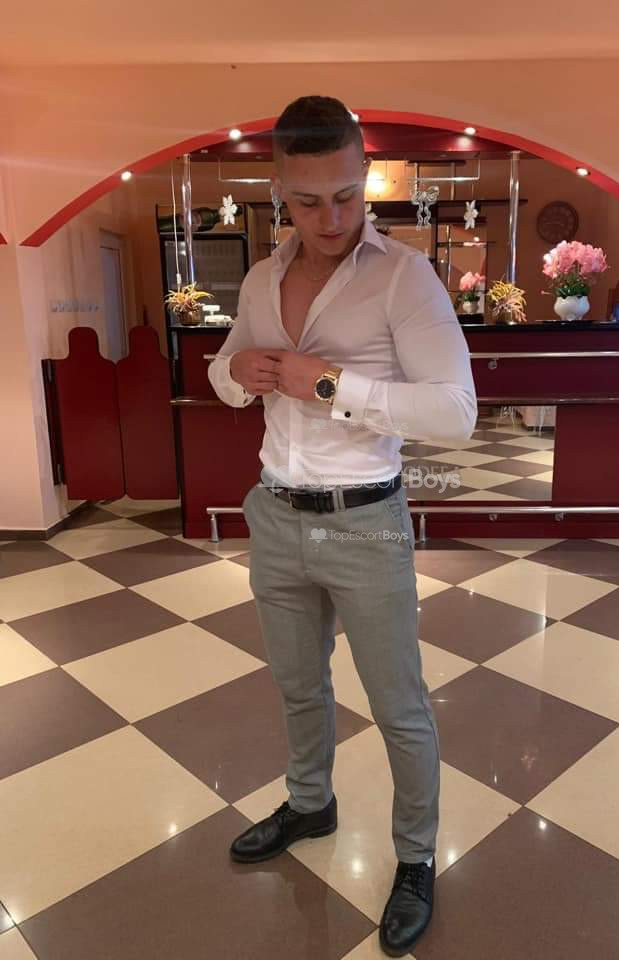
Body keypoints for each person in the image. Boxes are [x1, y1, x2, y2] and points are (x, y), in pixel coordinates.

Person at [208, 94, 476, 957]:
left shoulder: (405, 277)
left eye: (348, 195)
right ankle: (310, 802)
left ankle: (414, 856)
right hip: (276, 514)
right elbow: (222, 371)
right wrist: (238, 372)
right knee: (298, 686)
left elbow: (456, 412)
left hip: (366, 522)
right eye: (308, 200)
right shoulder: (260, 279)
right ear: (278, 191)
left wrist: (331, 386)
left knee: (399, 705)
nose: (331, 218)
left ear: (366, 178)